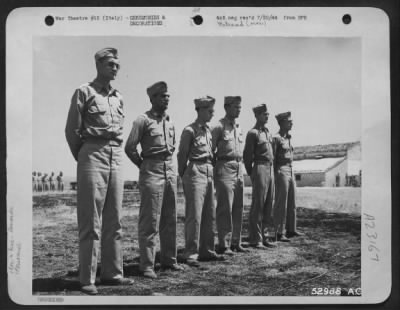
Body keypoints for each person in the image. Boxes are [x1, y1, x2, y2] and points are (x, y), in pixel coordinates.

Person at [65, 47, 133, 295]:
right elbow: (72, 130)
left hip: (116, 155)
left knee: (114, 219)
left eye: (117, 65)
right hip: (92, 155)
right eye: (111, 64)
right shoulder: (84, 92)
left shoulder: (118, 97)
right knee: (90, 221)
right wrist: (84, 157)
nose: (115, 68)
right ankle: (87, 279)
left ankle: (113, 274)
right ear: (99, 65)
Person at [125, 81, 184, 279]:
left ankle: (169, 260)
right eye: (161, 96)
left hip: (170, 170)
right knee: (150, 221)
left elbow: (172, 147)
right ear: (152, 99)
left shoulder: (170, 121)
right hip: (152, 171)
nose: (166, 99)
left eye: (168, 95)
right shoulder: (142, 120)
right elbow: (130, 147)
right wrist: (143, 165)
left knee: (170, 219)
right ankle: (147, 265)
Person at [177, 96, 225, 267]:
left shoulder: (208, 131)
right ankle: (191, 253)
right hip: (195, 171)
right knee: (194, 215)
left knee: (209, 214)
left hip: (208, 171)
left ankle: (207, 250)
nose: (213, 113)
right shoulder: (189, 130)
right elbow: (182, 155)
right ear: (201, 110)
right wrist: (183, 175)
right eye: (210, 111)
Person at [211, 96, 248, 255]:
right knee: (225, 206)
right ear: (226, 107)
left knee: (238, 207)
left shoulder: (238, 127)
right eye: (235, 107)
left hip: (239, 167)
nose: (239, 109)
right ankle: (223, 244)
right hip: (224, 166)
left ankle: (236, 242)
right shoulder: (218, 127)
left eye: (240, 107)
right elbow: (210, 150)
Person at [243, 103, 276, 249]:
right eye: (264, 114)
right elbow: (247, 156)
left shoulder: (268, 132)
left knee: (269, 203)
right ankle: (255, 239)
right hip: (260, 167)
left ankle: (265, 236)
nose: (267, 116)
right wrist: (253, 173)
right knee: (258, 204)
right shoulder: (253, 133)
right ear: (256, 116)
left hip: (270, 168)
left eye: (267, 114)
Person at [272, 112, 304, 242]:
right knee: (281, 202)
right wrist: (275, 174)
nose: (292, 123)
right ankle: (279, 232)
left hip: (290, 169)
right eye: (289, 121)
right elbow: (273, 158)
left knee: (292, 201)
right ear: (282, 123)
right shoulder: (276, 138)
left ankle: (291, 229)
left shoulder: (289, 137)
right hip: (281, 170)